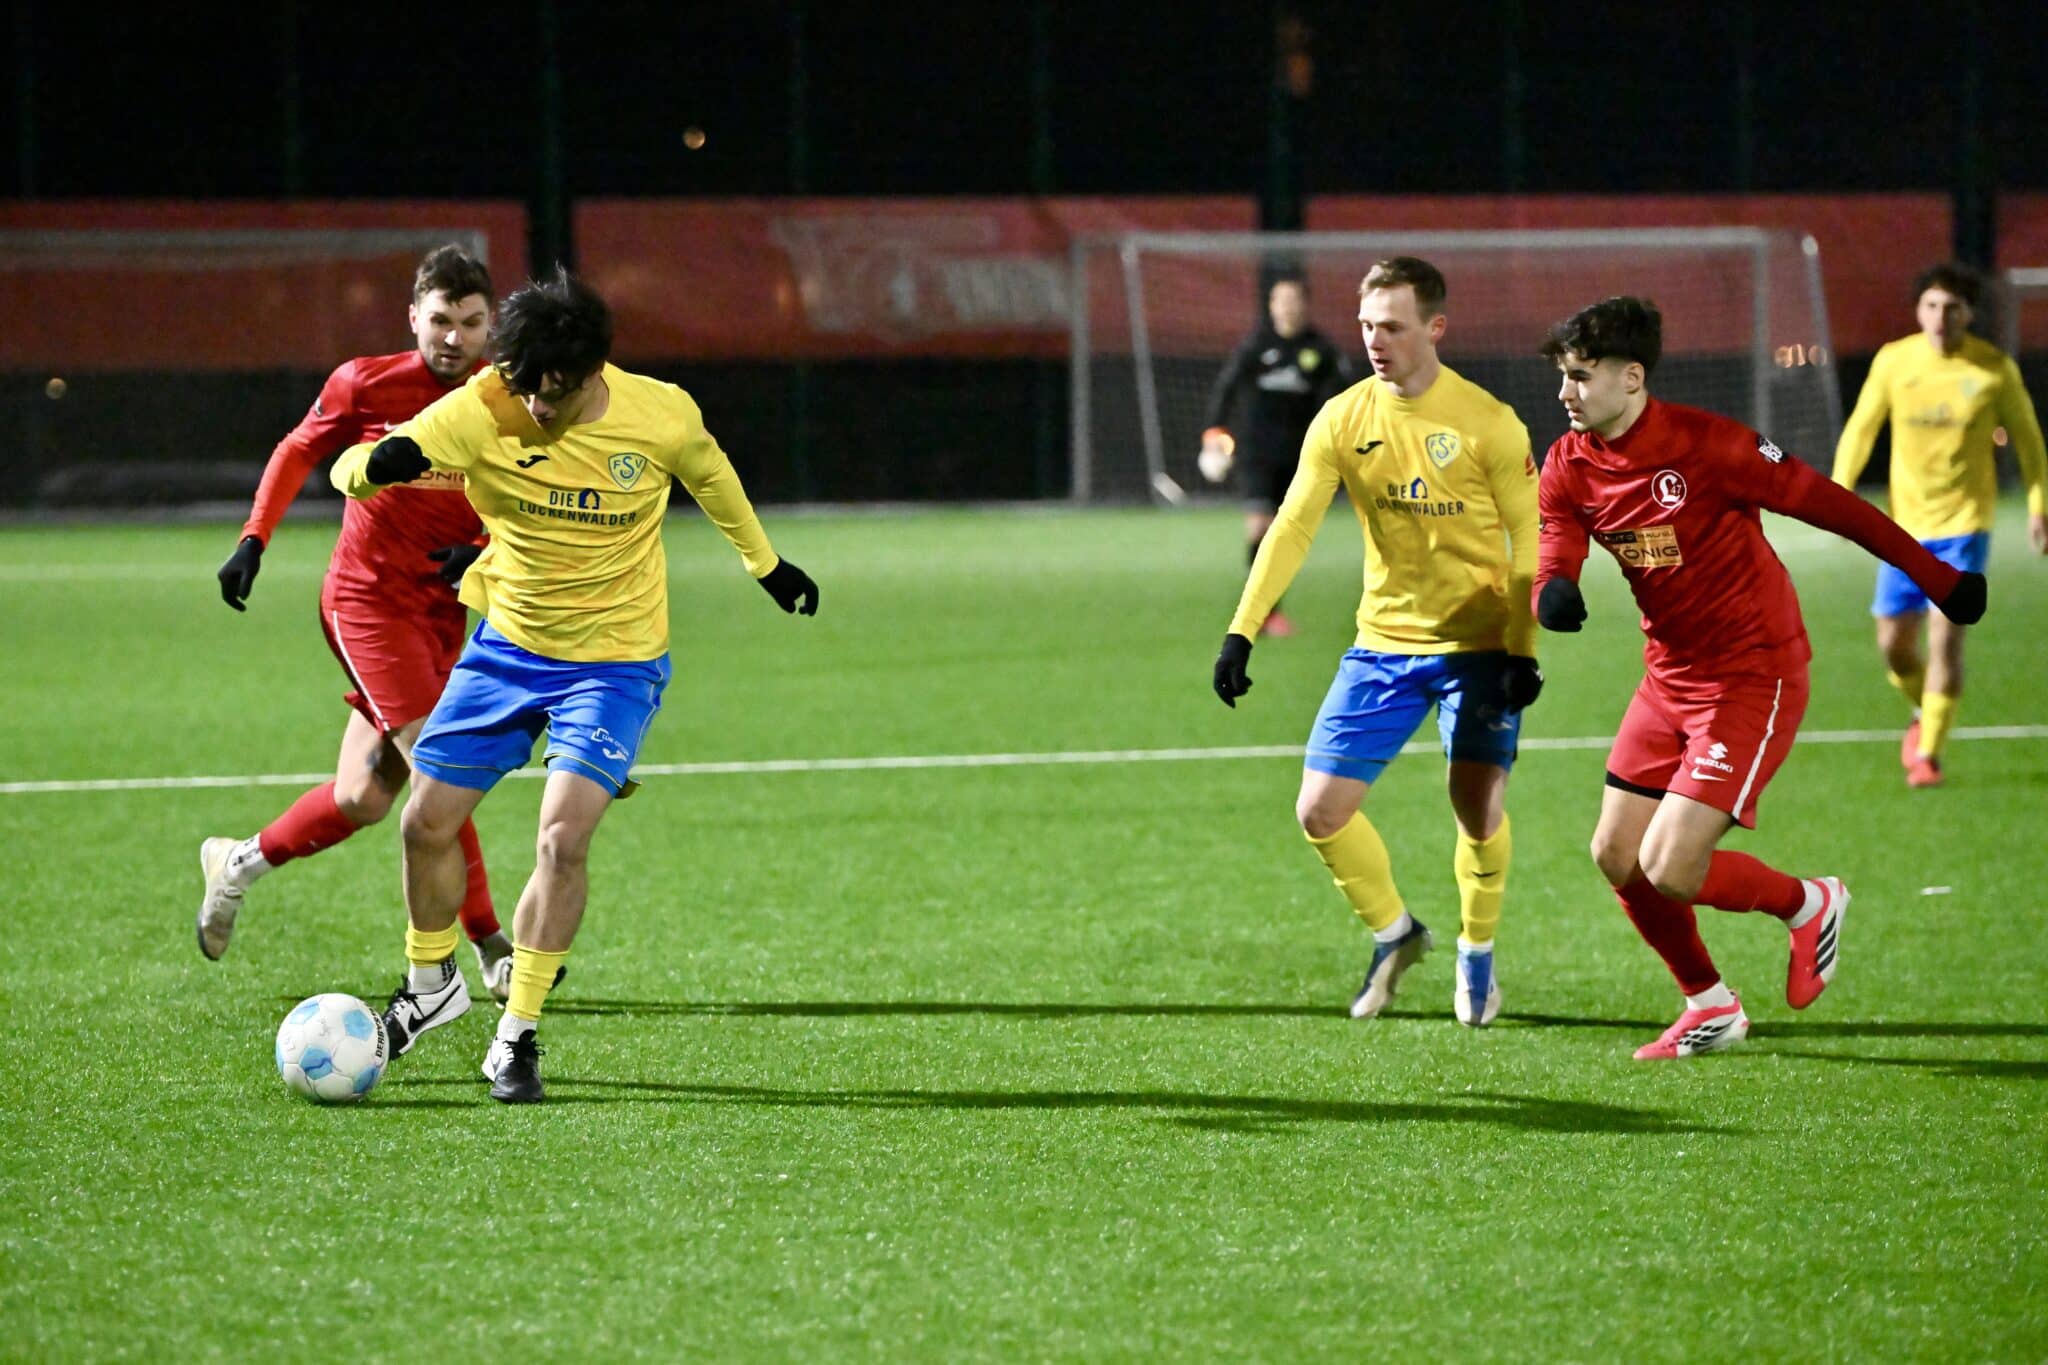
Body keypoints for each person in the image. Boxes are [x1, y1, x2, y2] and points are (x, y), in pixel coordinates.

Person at [330, 267, 819, 1104]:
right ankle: (430, 984)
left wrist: (765, 566)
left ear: (595, 370)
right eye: (524, 389)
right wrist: (380, 463)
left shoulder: (658, 413)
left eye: (553, 393)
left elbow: (713, 477)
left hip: (616, 661)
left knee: (562, 838)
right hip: (506, 648)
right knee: (423, 823)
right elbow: (347, 468)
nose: (537, 410)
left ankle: (516, 1032)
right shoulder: (483, 405)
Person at [1534, 296, 1987, 1060]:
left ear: (1632, 377)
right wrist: (1555, 585)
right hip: (1667, 677)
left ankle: (1809, 902)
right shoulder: (1569, 462)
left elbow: (1835, 507)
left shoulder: (1711, 445)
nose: (1564, 392)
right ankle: (1710, 1004)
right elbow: (1559, 531)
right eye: (1563, 376)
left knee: (1670, 866)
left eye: (1579, 376)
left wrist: (1937, 576)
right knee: (1616, 854)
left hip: (1753, 672)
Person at [1211, 257, 1541, 1027]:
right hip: (1384, 644)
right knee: (1319, 810)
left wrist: (1522, 646)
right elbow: (1292, 525)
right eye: (1366, 325)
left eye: (1391, 325)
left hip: (1480, 645)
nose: (1375, 340)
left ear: (1435, 328)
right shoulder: (1343, 416)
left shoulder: (1489, 421)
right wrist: (1242, 629)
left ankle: (1478, 953)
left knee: (1476, 808)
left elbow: (1531, 539)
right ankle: (1397, 932)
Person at [198, 245, 514, 994]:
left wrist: (482, 550)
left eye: (471, 322)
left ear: (490, 324)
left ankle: (236, 862)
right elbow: (298, 449)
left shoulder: (505, 398)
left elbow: (521, 497)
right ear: (413, 318)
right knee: (441, 761)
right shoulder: (366, 382)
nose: (454, 337)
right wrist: (253, 539)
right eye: (440, 319)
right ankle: (488, 940)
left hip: (445, 611)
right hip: (367, 603)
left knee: (364, 797)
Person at [1831, 262, 2046, 788]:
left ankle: (1927, 755)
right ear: (1917, 310)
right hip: (1904, 531)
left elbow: (2030, 443)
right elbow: (1861, 429)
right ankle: (1925, 710)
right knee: (1894, 648)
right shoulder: (1894, 362)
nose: (1940, 317)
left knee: (1945, 642)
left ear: (1969, 313)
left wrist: (2039, 506)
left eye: (1952, 307)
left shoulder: (1993, 370)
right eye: (1931, 306)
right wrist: (1837, 490)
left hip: (1965, 528)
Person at [1200, 274, 1351, 637]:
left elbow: (1346, 400)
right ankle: (1262, 613)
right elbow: (1227, 387)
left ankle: (1269, 610)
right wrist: (1214, 432)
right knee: (1259, 527)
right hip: (1256, 453)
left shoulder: (1322, 350)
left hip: (1301, 456)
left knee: (1284, 536)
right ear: (1271, 306)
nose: (1287, 306)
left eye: (1293, 299)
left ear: (1305, 304)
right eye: (1279, 300)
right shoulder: (1255, 346)